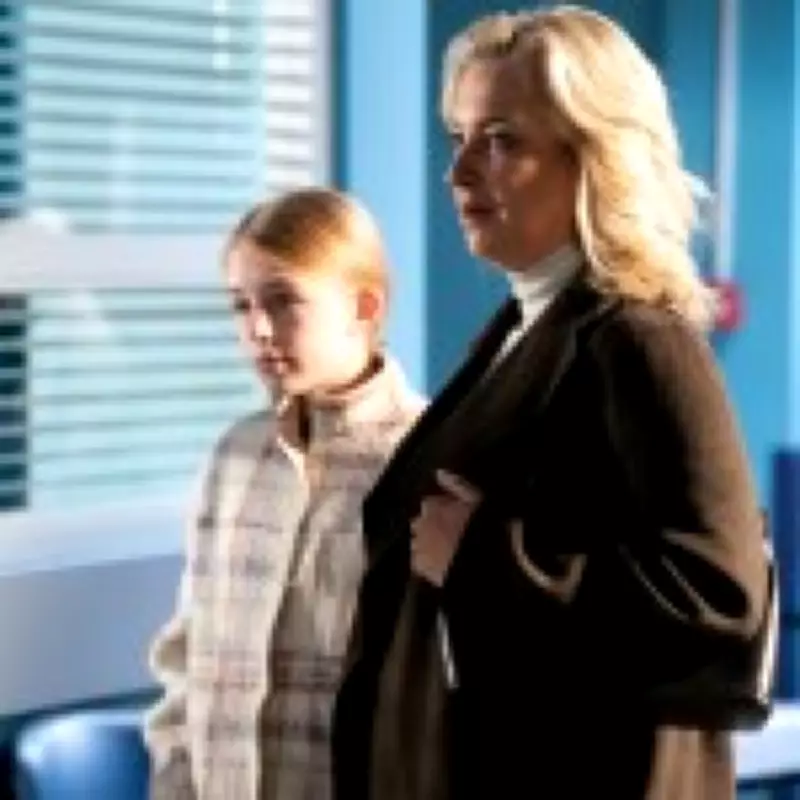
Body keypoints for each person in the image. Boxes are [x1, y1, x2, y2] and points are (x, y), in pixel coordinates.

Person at [331, 7, 770, 800]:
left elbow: (719, 602)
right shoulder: (520, 330)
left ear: (597, 157)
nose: (460, 173)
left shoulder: (641, 339)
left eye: (501, 140)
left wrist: (483, 559)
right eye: (458, 138)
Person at [143, 187, 426, 799]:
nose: (258, 330)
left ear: (364, 307)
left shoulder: (427, 460)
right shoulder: (234, 457)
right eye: (241, 305)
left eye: (283, 300)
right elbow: (187, 659)